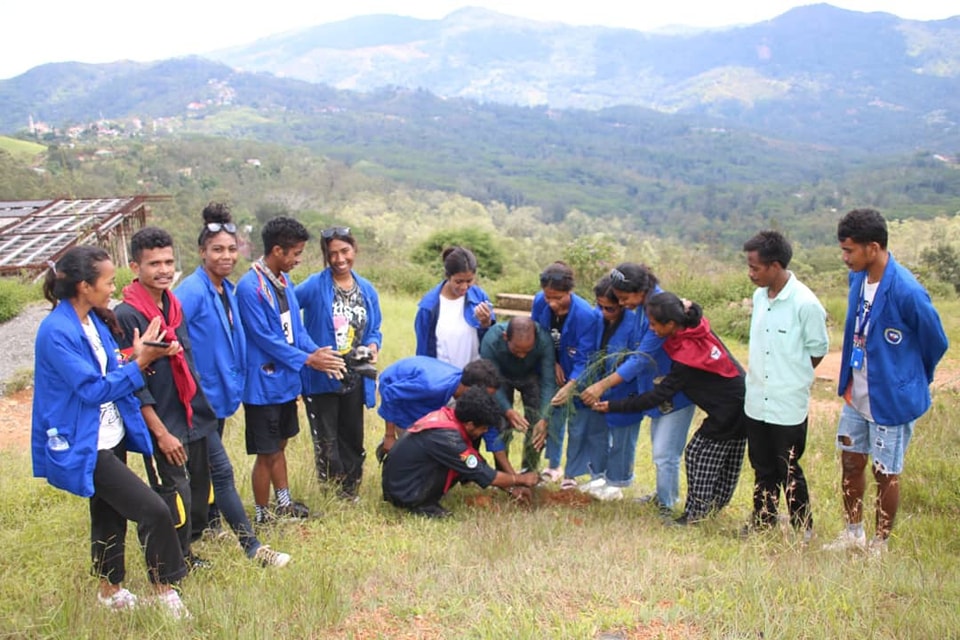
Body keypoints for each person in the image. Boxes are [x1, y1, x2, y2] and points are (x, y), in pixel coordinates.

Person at [31, 246, 189, 618]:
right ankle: (164, 590)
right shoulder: (56, 331)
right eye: (107, 281)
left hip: (110, 434)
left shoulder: (93, 321)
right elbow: (91, 389)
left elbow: (108, 366)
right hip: (85, 441)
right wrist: (141, 362)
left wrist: (138, 355)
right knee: (153, 509)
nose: (113, 288)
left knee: (108, 513)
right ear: (85, 285)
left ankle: (109, 590)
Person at [823, 208, 947, 554]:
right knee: (850, 462)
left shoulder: (907, 291)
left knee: (885, 471)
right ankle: (852, 533)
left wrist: (911, 378)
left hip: (890, 399)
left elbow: (935, 341)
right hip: (857, 394)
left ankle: (880, 544)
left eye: (849, 250)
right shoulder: (857, 280)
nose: (844, 258)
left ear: (873, 247)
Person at [175, 203, 291, 567]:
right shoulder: (191, 291)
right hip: (195, 399)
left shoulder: (226, 288)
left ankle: (206, 524)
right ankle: (253, 547)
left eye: (230, 249)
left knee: (204, 469)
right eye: (216, 250)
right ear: (201, 252)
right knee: (221, 471)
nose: (225, 256)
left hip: (219, 395)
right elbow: (176, 345)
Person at [593, 292, 748, 526]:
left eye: (655, 325)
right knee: (726, 457)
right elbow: (695, 308)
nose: (652, 330)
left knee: (698, 454)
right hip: (737, 401)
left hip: (730, 409)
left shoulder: (687, 356)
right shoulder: (694, 326)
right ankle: (712, 507)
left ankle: (695, 515)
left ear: (672, 324)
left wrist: (615, 405)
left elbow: (659, 395)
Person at [115, 227, 218, 570]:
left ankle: (187, 549)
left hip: (191, 413)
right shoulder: (127, 315)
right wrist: (160, 432)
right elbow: (133, 384)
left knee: (200, 491)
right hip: (163, 419)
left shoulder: (173, 305)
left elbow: (186, 360)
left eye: (169, 262)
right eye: (153, 263)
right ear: (135, 267)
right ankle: (172, 562)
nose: (162, 270)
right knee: (175, 493)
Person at [236, 216, 346, 525]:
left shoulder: (283, 281)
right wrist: (309, 361)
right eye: (295, 253)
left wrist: (316, 349)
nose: (298, 259)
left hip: (285, 383)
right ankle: (261, 513)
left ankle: (284, 504)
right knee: (266, 451)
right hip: (263, 386)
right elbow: (265, 339)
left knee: (280, 445)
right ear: (277, 251)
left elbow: (295, 330)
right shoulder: (250, 288)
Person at [580, 263, 696, 510]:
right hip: (656, 390)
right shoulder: (644, 306)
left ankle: (668, 505)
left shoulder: (659, 309)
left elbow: (641, 358)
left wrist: (601, 385)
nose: (622, 304)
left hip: (675, 390)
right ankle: (663, 495)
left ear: (640, 290)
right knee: (661, 449)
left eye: (624, 298)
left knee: (666, 453)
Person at [741, 230, 829, 541]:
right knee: (761, 466)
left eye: (755, 268)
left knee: (788, 468)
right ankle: (763, 520)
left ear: (775, 266)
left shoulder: (806, 304)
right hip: (756, 401)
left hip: (787, 404)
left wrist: (792, 377)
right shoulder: (759, 297)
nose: (750, 274)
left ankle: (803, 529)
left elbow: (818, 349)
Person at [297, 225, 383, 501]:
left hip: (355, 373)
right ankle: (331, 492)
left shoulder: (366, 289)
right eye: (332, 254)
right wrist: (306, 350)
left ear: (354, 250)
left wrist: (372, 344)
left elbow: (374, 327)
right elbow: (285, 306)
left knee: (352, 435)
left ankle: (351, 488)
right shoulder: (314, 285)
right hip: (323, 373)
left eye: (344, 251)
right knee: (327, 438)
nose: (339, 259)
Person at [382, 387, 540, 518]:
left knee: (465, 464)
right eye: (483, 428)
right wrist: (521, 479)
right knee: (466, 466)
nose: (483, 432)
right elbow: (482, 473)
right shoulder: (449, 439)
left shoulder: (448, 418)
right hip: (403, 492)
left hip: (399, 481)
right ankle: (421, 505)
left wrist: (511, 488)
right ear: (471, 425)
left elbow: (475, 461)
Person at [376, 356, 517, 474]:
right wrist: (390, 435)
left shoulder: (464, 392)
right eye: (487, 395)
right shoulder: (431, 386)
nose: (488, 399)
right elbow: (390, 393)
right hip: (400, 392)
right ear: (471, 389)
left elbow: (491, 432)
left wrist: (513, 477)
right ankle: (393, 452)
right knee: (418, 453)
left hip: (426, 398)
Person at [575, 275, 645, 501]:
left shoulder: (635, 324)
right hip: (597, 386)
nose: (605, 312)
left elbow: (636, 362)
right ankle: (598, 476)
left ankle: (617, 481)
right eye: (601, 306)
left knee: (622, 439)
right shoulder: (595, 319)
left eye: (611, 308)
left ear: (622, 304)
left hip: (624, 389)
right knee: (597, 434)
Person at [531, 261, 601, 489]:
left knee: (578, 422)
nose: (551, 303)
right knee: (553, 416)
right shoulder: (539, 302)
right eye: (548, 296)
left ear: (569, 291)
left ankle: (572, 473)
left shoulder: (585, 315)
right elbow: (538, 336)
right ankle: (552, 466)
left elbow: (585, 356)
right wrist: (552, 363)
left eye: (558, 298)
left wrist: (572, 384)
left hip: (579, 374)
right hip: (553, 368)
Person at [479, 316, 556, 473]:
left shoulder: (544, 339)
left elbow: (549, 382)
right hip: (500, 378)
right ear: (505, 337)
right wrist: (508, 410)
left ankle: (529, 471)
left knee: (536, 423)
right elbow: (491, 382)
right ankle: (503, 473)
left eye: (527, 351)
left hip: (531, 376)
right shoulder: (491, 341)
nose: (522, 355)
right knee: (501, 424)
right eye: (517, 350)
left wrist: (544, 418)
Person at [414, 246, 494, 368]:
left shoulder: (480, 297)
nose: (464, 287)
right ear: (447, 276)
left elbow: (491, 342)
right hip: (443, 378)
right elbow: (423, 351)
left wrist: (486, 323)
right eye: (458, 281)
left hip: (474, 377)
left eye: (469, 281)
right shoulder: (429, 307)